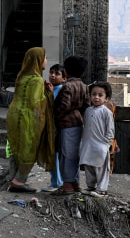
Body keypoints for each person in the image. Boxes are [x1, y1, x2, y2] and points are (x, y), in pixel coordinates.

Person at [6, 47, 55, 192]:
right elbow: (35, 102)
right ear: (38, 60)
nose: (46, 61)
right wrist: (49, 94)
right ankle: (19, 181)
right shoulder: (37, 80)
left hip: (14, 116)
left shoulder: (21, 77)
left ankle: (13, 177)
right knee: (29, 148)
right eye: (45, 58)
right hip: (28, 118)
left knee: (17, 146)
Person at [52, 55, 90, 195]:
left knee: (66, 155)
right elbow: (86, 106)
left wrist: (55, 116)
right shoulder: (84, 86)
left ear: (66, 71)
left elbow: (63, 106)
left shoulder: (67, 86)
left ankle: (67, 185)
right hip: (78, 123)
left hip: (67, 125)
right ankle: (76, 183)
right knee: (74, 155)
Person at [79, 82, 115, 198]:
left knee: (101, 168)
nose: (96, 97)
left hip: (100, 145)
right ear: (89, 96)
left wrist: (106, 144)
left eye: (100, 95)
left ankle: (102, 189)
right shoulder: (88, 111)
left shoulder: (107, 112)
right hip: (88, 144)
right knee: (89, 166)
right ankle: (91, 186)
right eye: (94, 94)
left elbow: (110, 130)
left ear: (106, 98)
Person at [42, 64, 66, 192]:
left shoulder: (60, 91)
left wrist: (50, 95)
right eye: (51, 72)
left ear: (63, 78)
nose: (52, 75)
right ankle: (55, 181)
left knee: (54, 155)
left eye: (57, 73)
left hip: (55, 128)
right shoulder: (51, 88)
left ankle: (57, 183)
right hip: (49, 127)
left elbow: (55, 108)